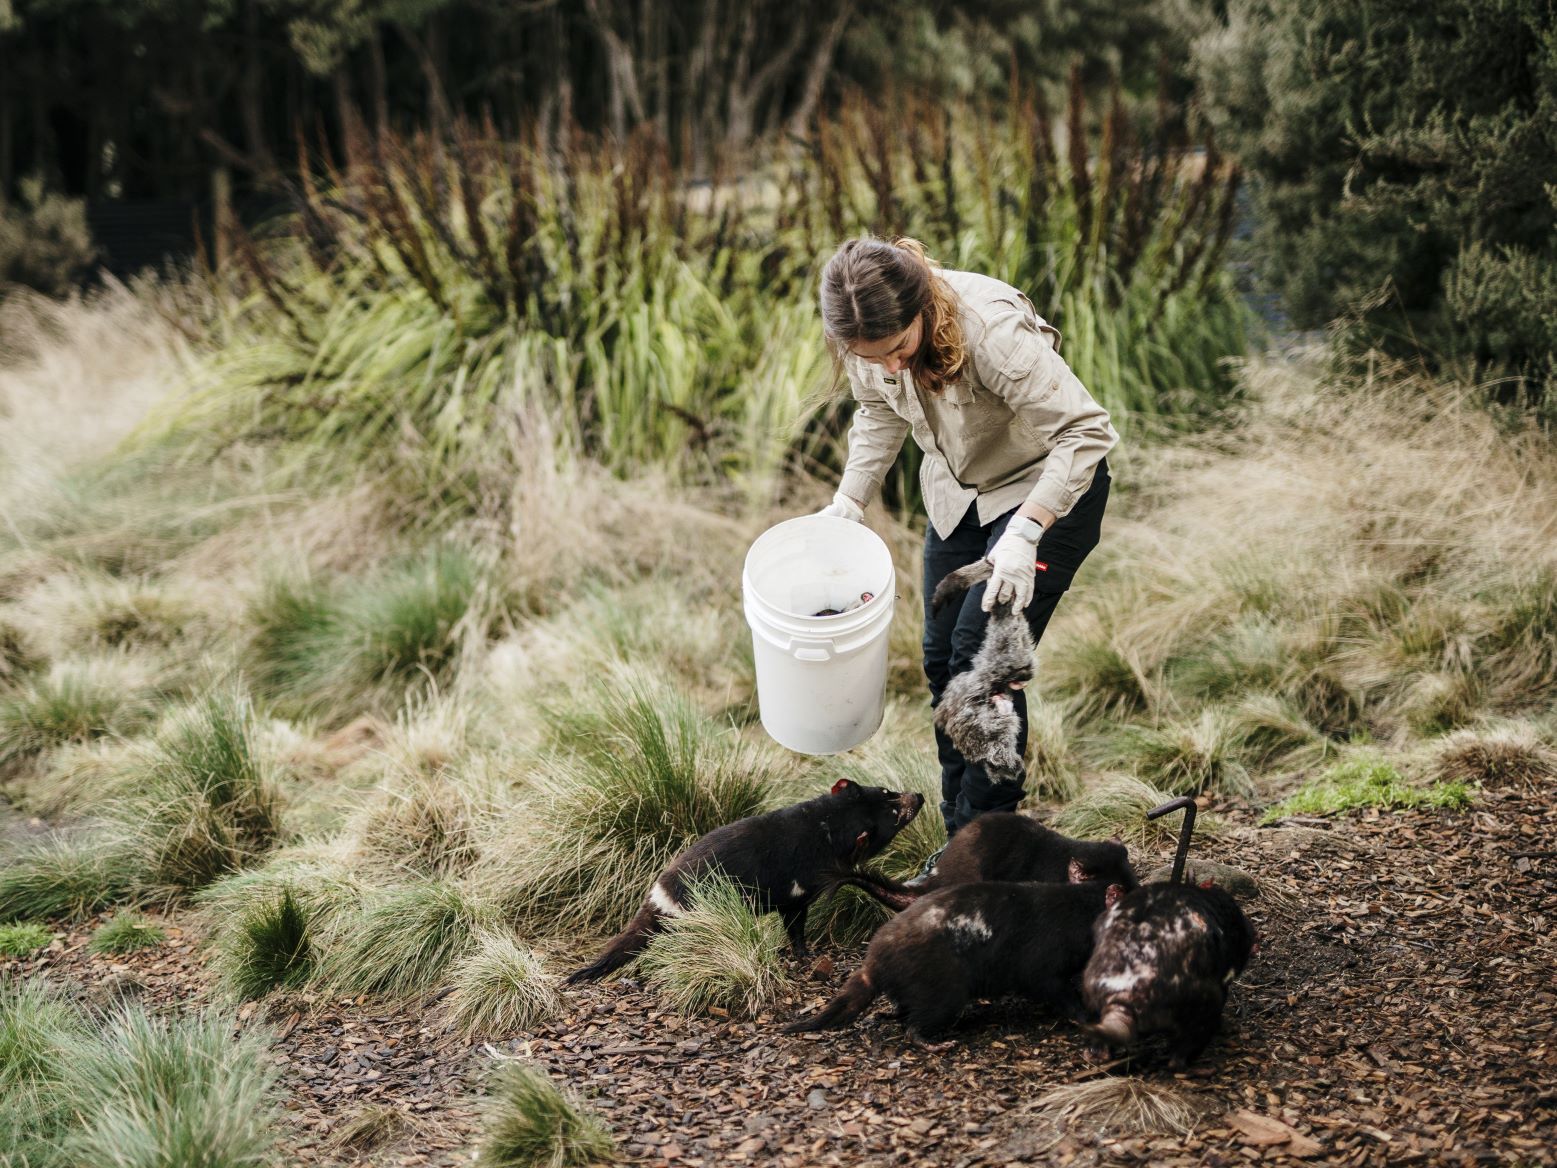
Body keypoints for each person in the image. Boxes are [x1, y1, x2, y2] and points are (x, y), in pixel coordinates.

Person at [813, 236, 1117, 881]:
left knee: (979, 672)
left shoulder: (991, 330)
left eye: (899, 350)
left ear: (924, 309)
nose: (890, 367)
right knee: (940, 662)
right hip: (959, 496)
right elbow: (876, 412)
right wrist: (848, 501)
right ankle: (959, 847)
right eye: (872, 358)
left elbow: (1086, 431)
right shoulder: (873, 342)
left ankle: (988, 860)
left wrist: (1029, 530)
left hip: (1046, 491)